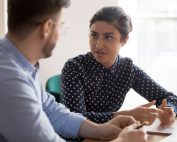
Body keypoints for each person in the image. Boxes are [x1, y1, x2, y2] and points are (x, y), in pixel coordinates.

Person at [0, 0, 148, 142]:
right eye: (61, 25)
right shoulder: (10, 80)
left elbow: (51, 110)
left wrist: (101, 130)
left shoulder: (18, 63)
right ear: (47, 27)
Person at [61, 6, 177, 127]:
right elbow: (74, 120)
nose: (98, 45)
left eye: (108, 37)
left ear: (124, 39)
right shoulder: (74, 67)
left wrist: (169, 110)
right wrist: (125, 116)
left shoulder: (128, 69)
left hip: (112, 136)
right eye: (94, 35)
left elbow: (169, 97)